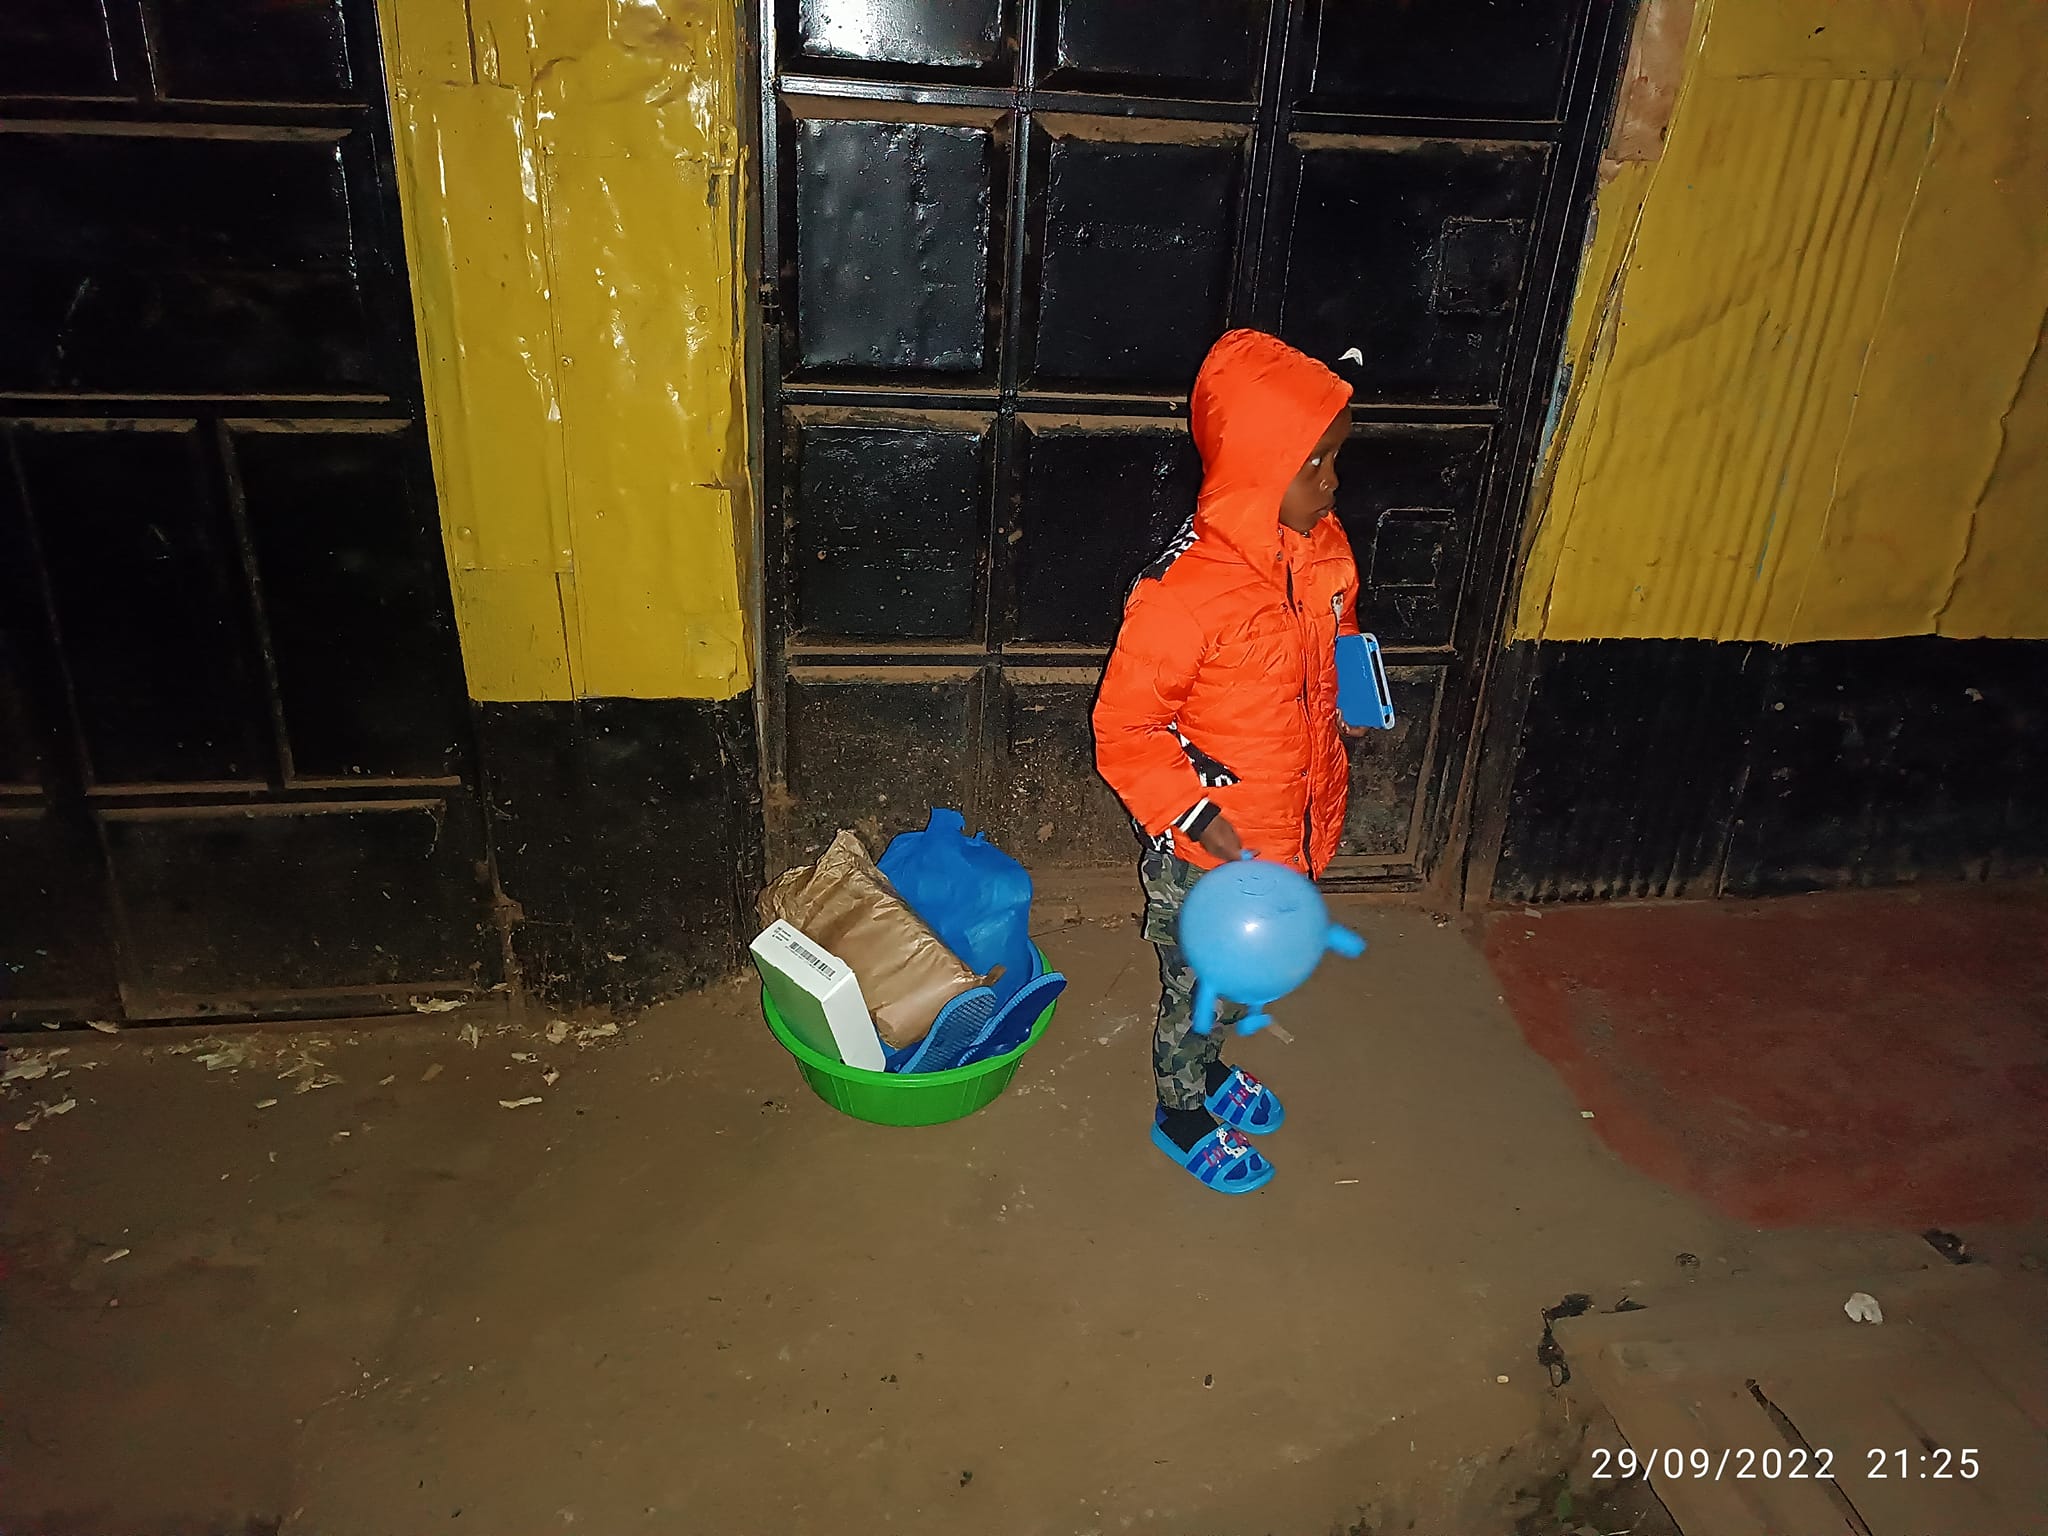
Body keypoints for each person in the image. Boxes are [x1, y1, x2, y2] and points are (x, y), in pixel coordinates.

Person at [1092, 329, 1365, 1195]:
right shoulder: (1182, 596)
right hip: (1206, 846)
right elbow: (1124, 729)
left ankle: (1209, 1066)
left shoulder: (1323, 550)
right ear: (1257, 466)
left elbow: (1336, 641)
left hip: (1292, 823)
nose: (1333, 482)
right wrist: (1195, 816)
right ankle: (1180, 1106)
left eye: (1335, 459)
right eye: (1316, 463)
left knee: (1246, 974)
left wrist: (1357, 684)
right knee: (1197, 987)